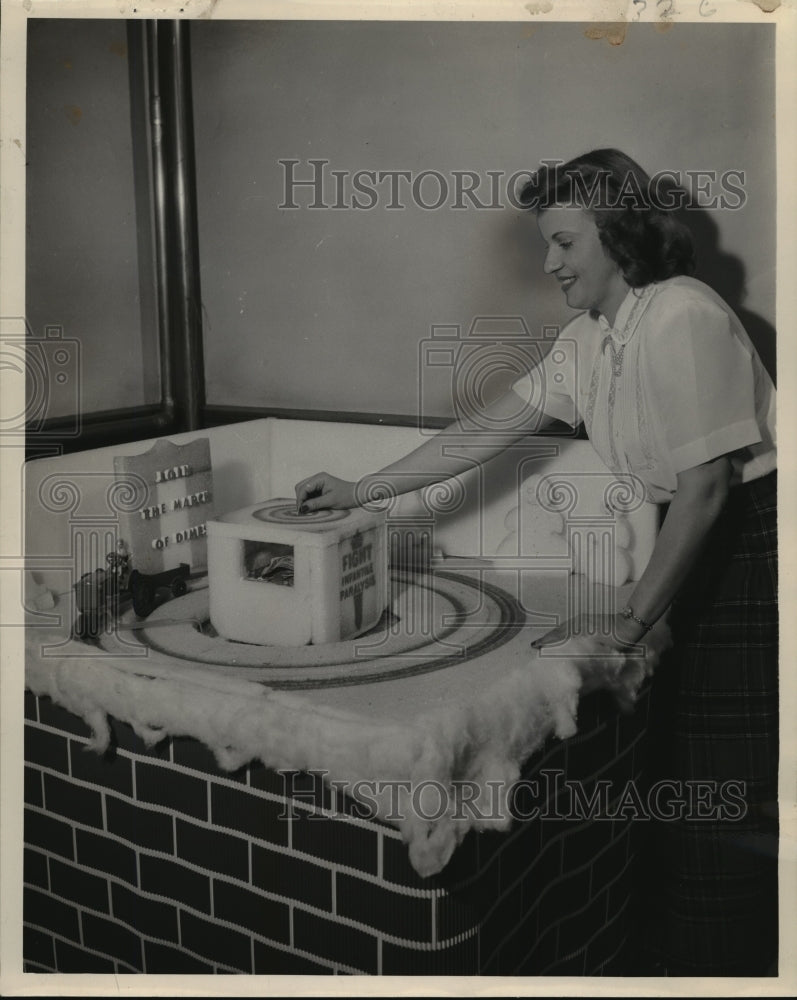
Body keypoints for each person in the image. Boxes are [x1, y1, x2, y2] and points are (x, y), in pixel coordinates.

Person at [294, 149, 778, 976]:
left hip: (749, 546)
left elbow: (706, 491)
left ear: (618, 234)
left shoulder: (681, 315)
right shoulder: (589, 338)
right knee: (676, 768)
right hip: (691, 534)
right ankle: (685, 964)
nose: (548, 264)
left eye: (562, 243)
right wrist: (363, 490)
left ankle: (728, 969)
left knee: (719, 786)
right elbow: (485, 431)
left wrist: (627, 624)